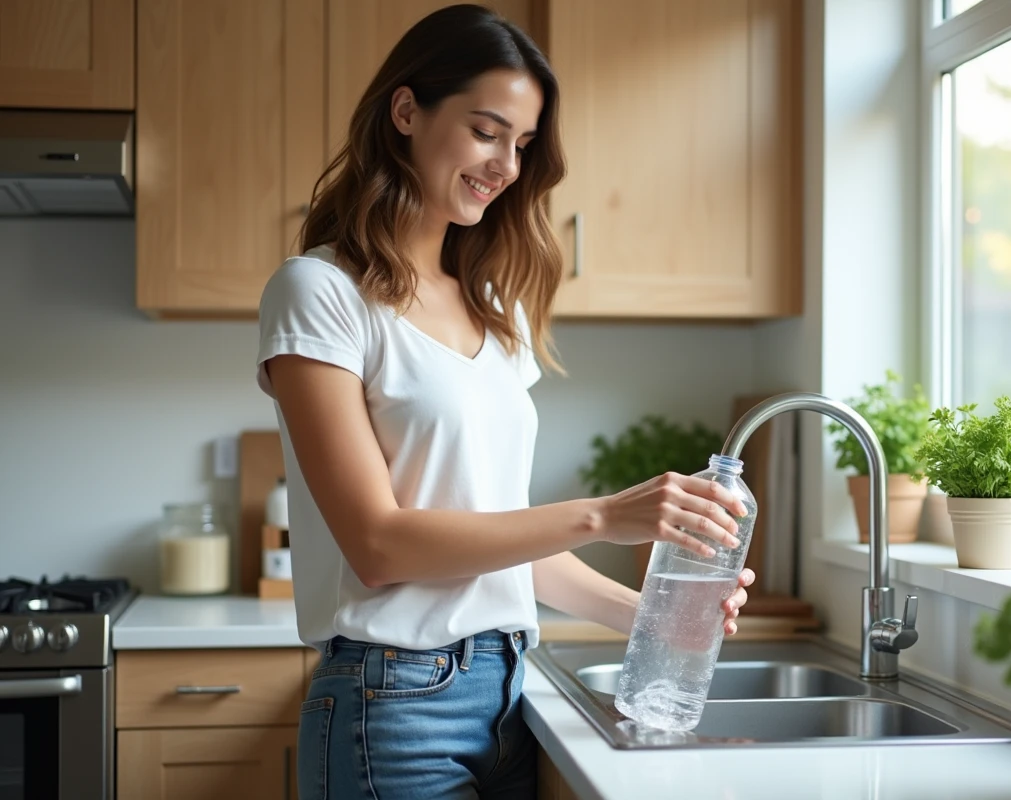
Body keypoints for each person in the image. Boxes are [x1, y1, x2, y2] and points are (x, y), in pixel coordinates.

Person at [255, 4, 754, 798]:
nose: (506, 165)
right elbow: (378, 546)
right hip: (391, 709)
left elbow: (496, 539)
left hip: (509, 692)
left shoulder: (495, 308)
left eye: (522, 145)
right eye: (488, 131)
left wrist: (654, 619)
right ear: (407, 111)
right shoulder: (318, 293)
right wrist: (603, 515)